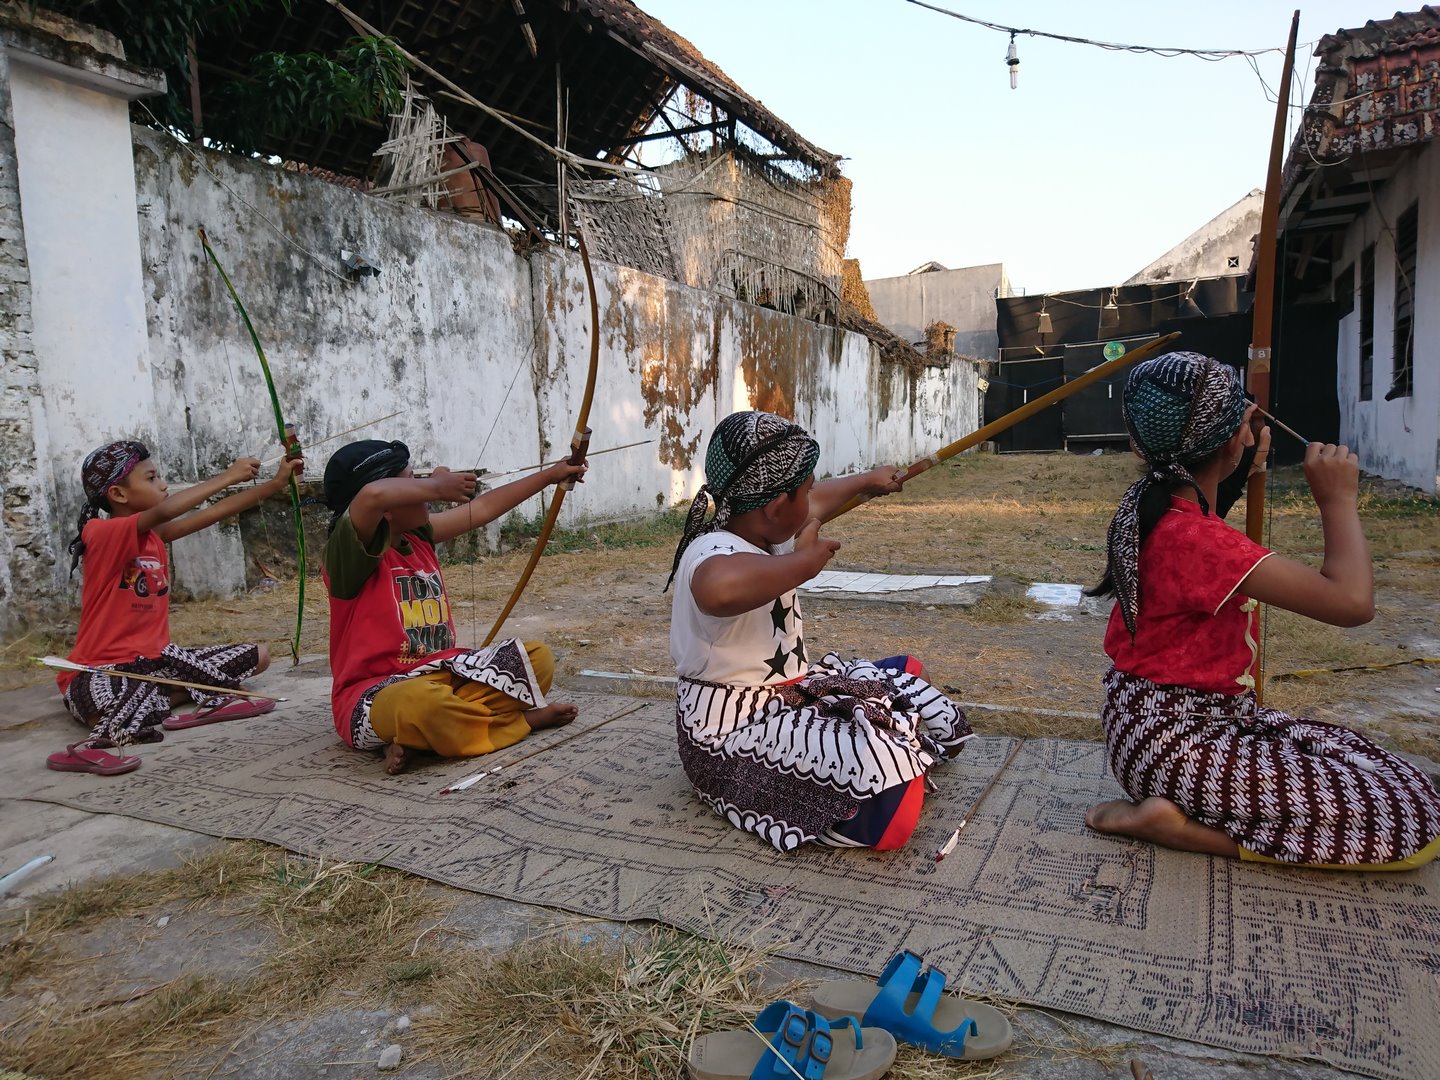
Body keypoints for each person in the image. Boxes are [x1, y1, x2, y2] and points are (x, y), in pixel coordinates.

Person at [1085, 351, 1440, 869]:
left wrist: (1238, 459)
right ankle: (1180, 829)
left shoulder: (1158, 508)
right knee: (1409, 817)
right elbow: (1352, 603)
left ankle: (1182, 809)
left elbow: (1205, 520)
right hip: (1176, 746)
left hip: (1160, 728)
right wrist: (1337, 500)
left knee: (1385, 768)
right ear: (1234, 440)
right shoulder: (1197, 539)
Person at [667, 411, 972, 853]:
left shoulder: (763, 527)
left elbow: (818, 502)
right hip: (728, 729)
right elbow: (718, 589)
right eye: (805, 489)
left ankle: (874, 727)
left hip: (786, 693)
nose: (813, 498)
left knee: (934, 718)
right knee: (893, 812)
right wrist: (804, 564)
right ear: (776, 505)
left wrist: (868, 480)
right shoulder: (709, 551)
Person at [321, 439, 583, 774]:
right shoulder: (349, 555)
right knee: (422, 705)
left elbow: (484, 509)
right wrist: (436, 486)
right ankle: (521, 723)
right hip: (376, 695)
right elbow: (371, 496)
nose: (422, 493)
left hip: (444, 674)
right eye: (410, 484)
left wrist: (551, 475)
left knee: (535, 659)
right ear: (386, 508)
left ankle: (420, 740)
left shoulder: (418, 536)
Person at [52, 440, 302, 774]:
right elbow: (166, 510)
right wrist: (228, 476)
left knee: (259, 655)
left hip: (157, 664)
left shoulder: (153, 537)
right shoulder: (100, 533)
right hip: (98, 673)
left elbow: (213, 512)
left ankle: (162, 701)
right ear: (119, 495)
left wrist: (274, 485)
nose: (164, 485)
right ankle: (126, 724)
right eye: (152, 478)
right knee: (126, 688)